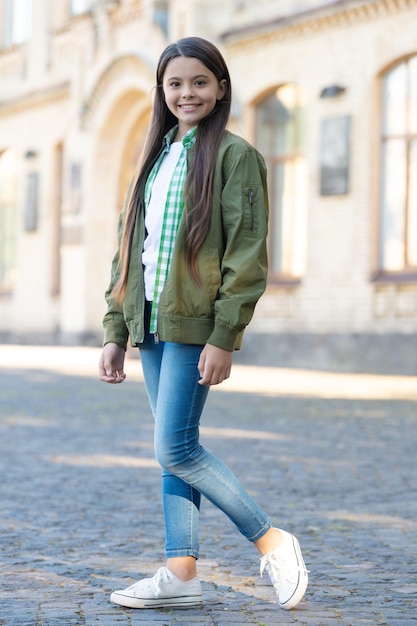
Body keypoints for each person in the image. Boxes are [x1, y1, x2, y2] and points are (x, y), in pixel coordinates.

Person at [99, 36, 308, 611]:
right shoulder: (157, 156)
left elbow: (246, 255)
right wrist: (116, 329)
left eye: (199, 82)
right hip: (150, 322)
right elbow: (128, 250)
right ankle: (181, 572)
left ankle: (272, 539)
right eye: (175, 83)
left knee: (176, 447)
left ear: (220, 89)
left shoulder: (235, 156)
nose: (186, 92)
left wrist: (224, 336)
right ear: (161, 92)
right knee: (174, 448)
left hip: (195, 327)